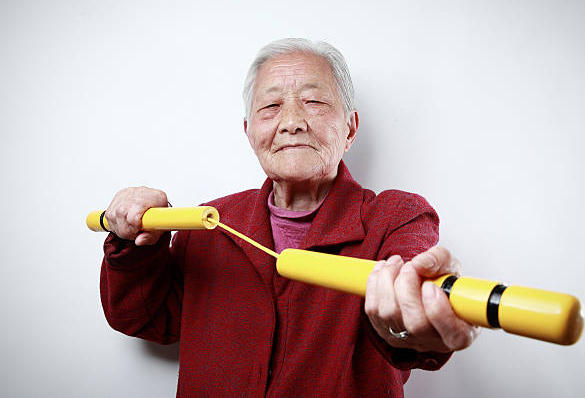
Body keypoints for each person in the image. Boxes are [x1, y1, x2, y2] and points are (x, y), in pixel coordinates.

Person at [100, 38, 478, 397]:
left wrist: (409, 321)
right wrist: (135, 243)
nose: (292, 121)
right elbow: (146, 319)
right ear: (250, 133)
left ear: (350, 128)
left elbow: (407, 305)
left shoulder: (397, 217)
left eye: (314, 101)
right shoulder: (206, 223)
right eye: (271, 107)